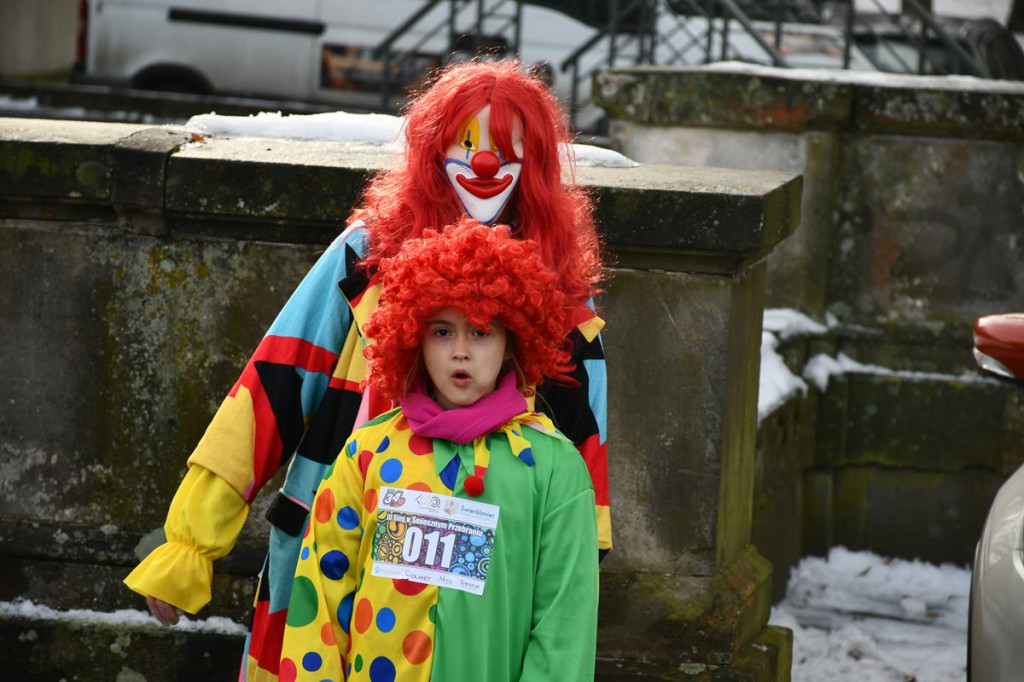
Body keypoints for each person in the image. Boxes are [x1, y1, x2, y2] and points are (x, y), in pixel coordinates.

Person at [124, 59, 609, 682]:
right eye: (467, 144)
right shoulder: (366, 255)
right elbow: (274, 384)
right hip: (333, 561)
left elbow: (582, 495)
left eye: (506, 148)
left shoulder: (565, 296)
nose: (485, 163)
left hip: (485, 625)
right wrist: (192, 541)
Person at [280, 218, 598, 682]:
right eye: (442, 332)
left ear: (512, 341)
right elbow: (322, 604)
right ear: (414, 337)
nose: (461, 352)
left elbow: (563, 628)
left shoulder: (554, 467)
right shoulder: (367, 453)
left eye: (482, 331)